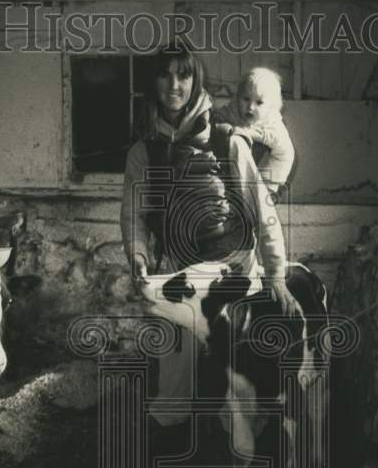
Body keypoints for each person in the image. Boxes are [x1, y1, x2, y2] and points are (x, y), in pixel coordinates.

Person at [120, 42, 300, 441]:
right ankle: (170, 440)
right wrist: (137, 254)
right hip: (176, 265)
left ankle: (244, 443)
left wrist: (276, 275)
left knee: (236, 362)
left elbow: (262, 208)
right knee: (172, 357)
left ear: (195, 81)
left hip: (231, 265)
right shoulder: (142, 152)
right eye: (165, 75)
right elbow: (133, 214)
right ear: (154, 83)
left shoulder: (226, 140)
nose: (174, 85)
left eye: (183, 75)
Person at [214, 67, 295, 200]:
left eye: (259, 102)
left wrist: (250, 133)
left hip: (275, 162)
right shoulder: (234, 109)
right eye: (246, 99)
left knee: (285, 153)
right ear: (238, 97)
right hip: (241, 162)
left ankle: (268, 191)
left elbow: (279, 142)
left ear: (271, 106)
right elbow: (224, 113)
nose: (250, 107)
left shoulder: (272, 120)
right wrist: (217, 117)